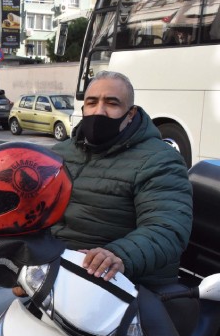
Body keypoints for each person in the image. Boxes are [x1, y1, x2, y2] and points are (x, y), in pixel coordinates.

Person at [51, 70, 193, 288]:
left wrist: (118, 255)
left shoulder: (160, 160)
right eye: (91, 102)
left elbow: (167, 228)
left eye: (112, 103)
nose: (99, 111)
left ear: (130, 113)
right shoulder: (60, 153)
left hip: (124, 282)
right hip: (56, 272)